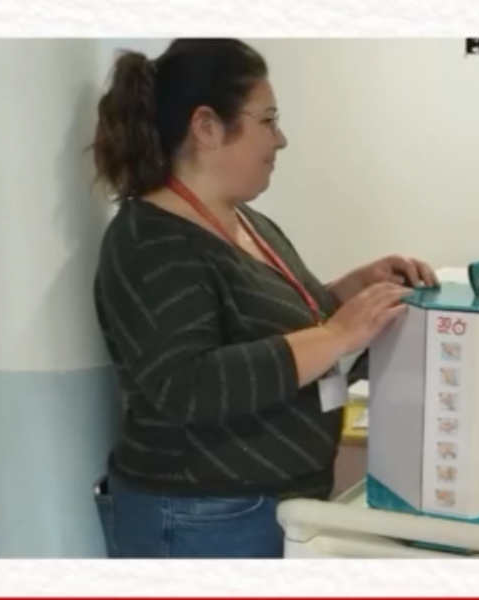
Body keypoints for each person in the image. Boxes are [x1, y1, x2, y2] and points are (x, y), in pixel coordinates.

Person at [88, 39, 438, 559]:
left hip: (272, 504)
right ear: (206, 127)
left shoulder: (245, 220)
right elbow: (187, 385)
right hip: (199, 516)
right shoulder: (149, 243)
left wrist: (350, 290)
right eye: (268, 120)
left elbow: (275, 323)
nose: (281, 139)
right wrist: (338, 333)